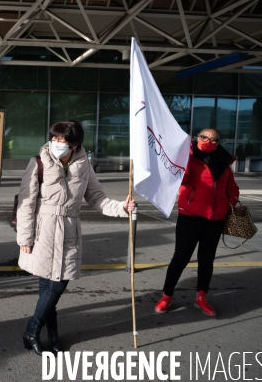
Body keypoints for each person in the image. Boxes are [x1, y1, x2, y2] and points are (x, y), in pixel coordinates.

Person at [16, 120, 136, 356]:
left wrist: (122, 207)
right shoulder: (38, 163)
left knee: (55, 285)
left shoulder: (84, 165)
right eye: (55, 139)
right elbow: (26, 203)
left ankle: (45, 333)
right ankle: (35, 331)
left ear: (75, 144)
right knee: (51, 286)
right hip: (44, 231)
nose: (57, 144)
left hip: (70, 228)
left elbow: (97, 197)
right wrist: (25, 238)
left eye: (63, 141)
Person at [154, 128, 239, 317]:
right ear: (196, 138)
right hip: (190, 217)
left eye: (213, 140)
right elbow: (181, 180)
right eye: (203, 137)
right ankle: (167, 295)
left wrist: (229, 203)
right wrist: (186, 158)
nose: (208, 141)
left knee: (207, 260)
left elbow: (232, 188)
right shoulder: (188, 157)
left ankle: (201, 297)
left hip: (215, 220)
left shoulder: (224, 163)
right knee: (181, 258)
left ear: (219, 143)